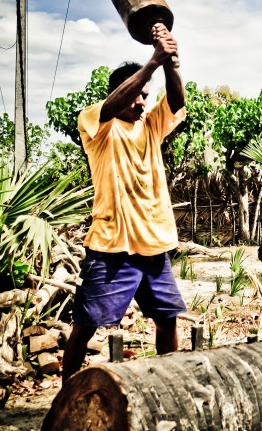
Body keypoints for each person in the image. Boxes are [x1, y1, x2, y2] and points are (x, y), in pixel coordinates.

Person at [62, 23, 185, 383]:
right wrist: (151, 62)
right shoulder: (96, 123)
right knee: (85, 326)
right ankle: (66, 396)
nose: (141, 101)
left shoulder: (150, 125)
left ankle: (167, 386)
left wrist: (171, 62)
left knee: (167, 320)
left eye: (145, 95)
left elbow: (175, 101)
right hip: (111, 247)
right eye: (135, 94)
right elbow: (113, 105)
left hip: (154, 245)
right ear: (118, 91)